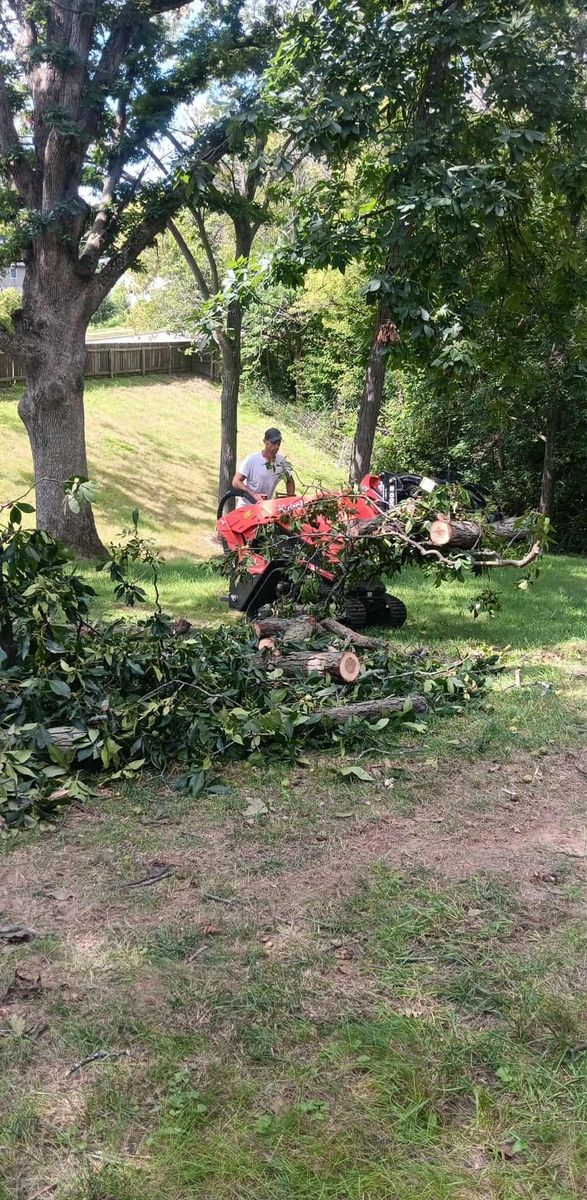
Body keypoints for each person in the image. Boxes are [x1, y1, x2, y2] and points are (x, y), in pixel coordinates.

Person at [232, 428, 295, 502]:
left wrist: (289, 500)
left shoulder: (281, 462)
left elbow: (290, 481)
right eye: (274, 443)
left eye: (279, 443)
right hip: (246, 506)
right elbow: (236, 481)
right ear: (265, 442)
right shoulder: (251, 460)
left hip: (265, 507)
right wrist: (253, 495)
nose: (277, 446)